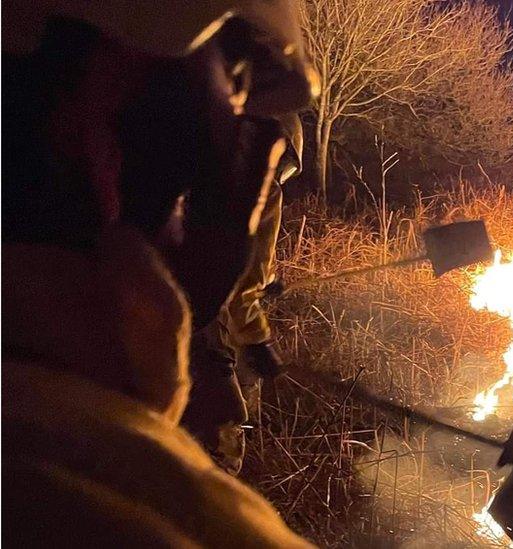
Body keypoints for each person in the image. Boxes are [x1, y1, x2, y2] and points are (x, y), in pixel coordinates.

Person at [2, 1, 318, 545]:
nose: (252, 149)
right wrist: (194, 297)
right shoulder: (153, 518)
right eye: (236, 82)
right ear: (103, 100)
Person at [182, 115, 303, 474]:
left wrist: (268, 281)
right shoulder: (261, 185)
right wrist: (258, 340)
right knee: (224, 433)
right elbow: (239, 285)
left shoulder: (195, 160)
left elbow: (240, 262)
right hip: (204, 319)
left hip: (151, 302)